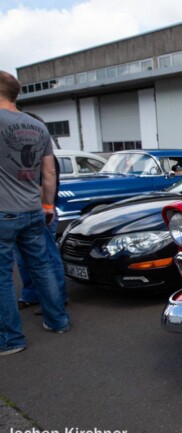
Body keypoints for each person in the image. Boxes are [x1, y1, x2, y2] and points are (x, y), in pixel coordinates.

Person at [0, 70, 71, 356]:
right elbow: (50, 171)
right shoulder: (37, 125)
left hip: (3, 211)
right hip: (33, 209)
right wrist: (47, 206)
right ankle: (58, 321)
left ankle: (11, 339)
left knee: (3, 277)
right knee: (42, 267)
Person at [15, 112, 67, 313]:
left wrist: (44, 208)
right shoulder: (23, 155)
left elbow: (46, 181)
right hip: (27, 210)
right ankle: (32, 295)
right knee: (24, 259)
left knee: (47, 258)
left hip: (41, 211)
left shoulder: (44, 156)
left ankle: (58, 300)